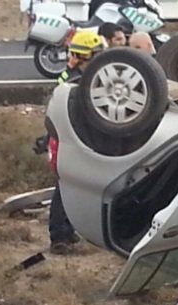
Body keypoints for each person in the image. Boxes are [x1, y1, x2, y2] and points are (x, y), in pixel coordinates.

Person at [50, 31, 105, 254]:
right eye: (95, 55)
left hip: (82, 138)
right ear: (83, 56)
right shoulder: (74, 81)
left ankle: (68, 229)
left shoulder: (87, 77)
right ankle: (59, 236)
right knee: (64, 186)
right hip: (70, 139)